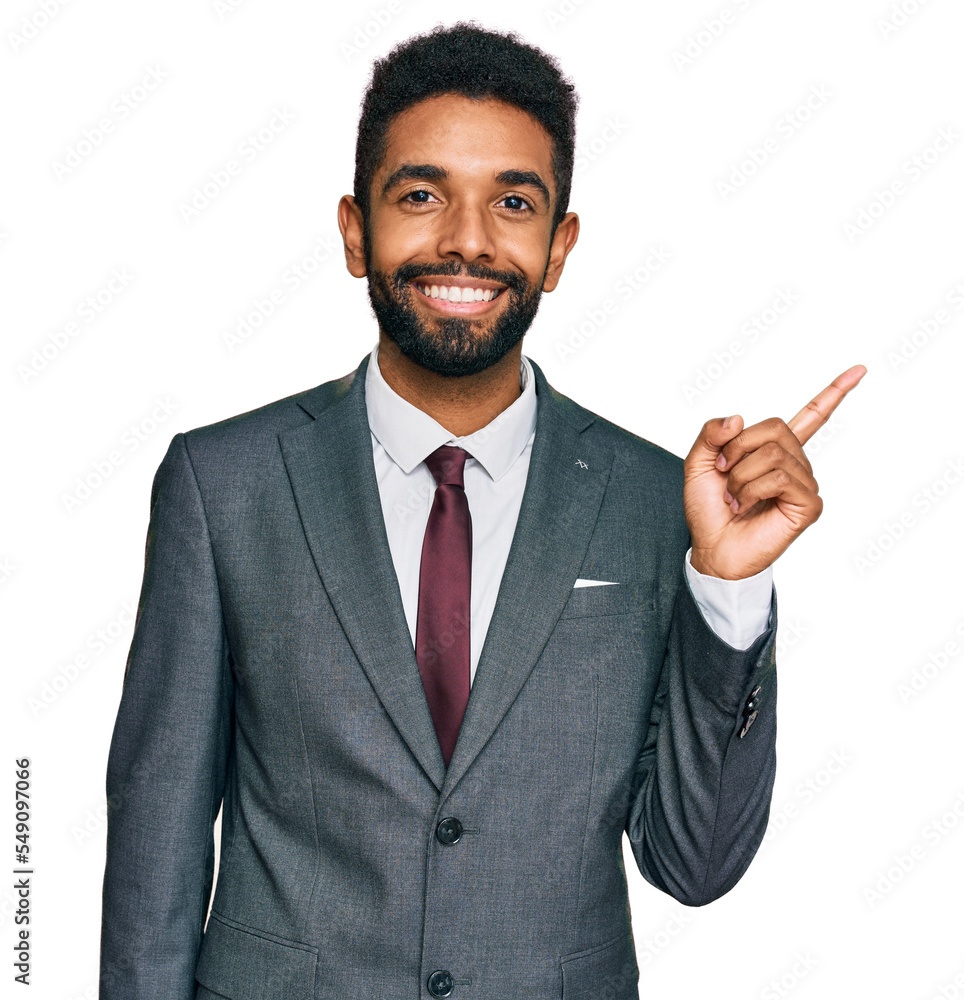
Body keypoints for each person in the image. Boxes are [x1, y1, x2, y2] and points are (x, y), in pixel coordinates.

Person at [98, 22, 864, 1000]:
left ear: (557, 249)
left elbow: (692, 865)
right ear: (352, 229)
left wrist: (728, 588)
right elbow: (156, 836)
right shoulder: (223, 483)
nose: (465, 239)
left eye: (512, 201)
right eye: (421, 195)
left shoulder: (654, 500)